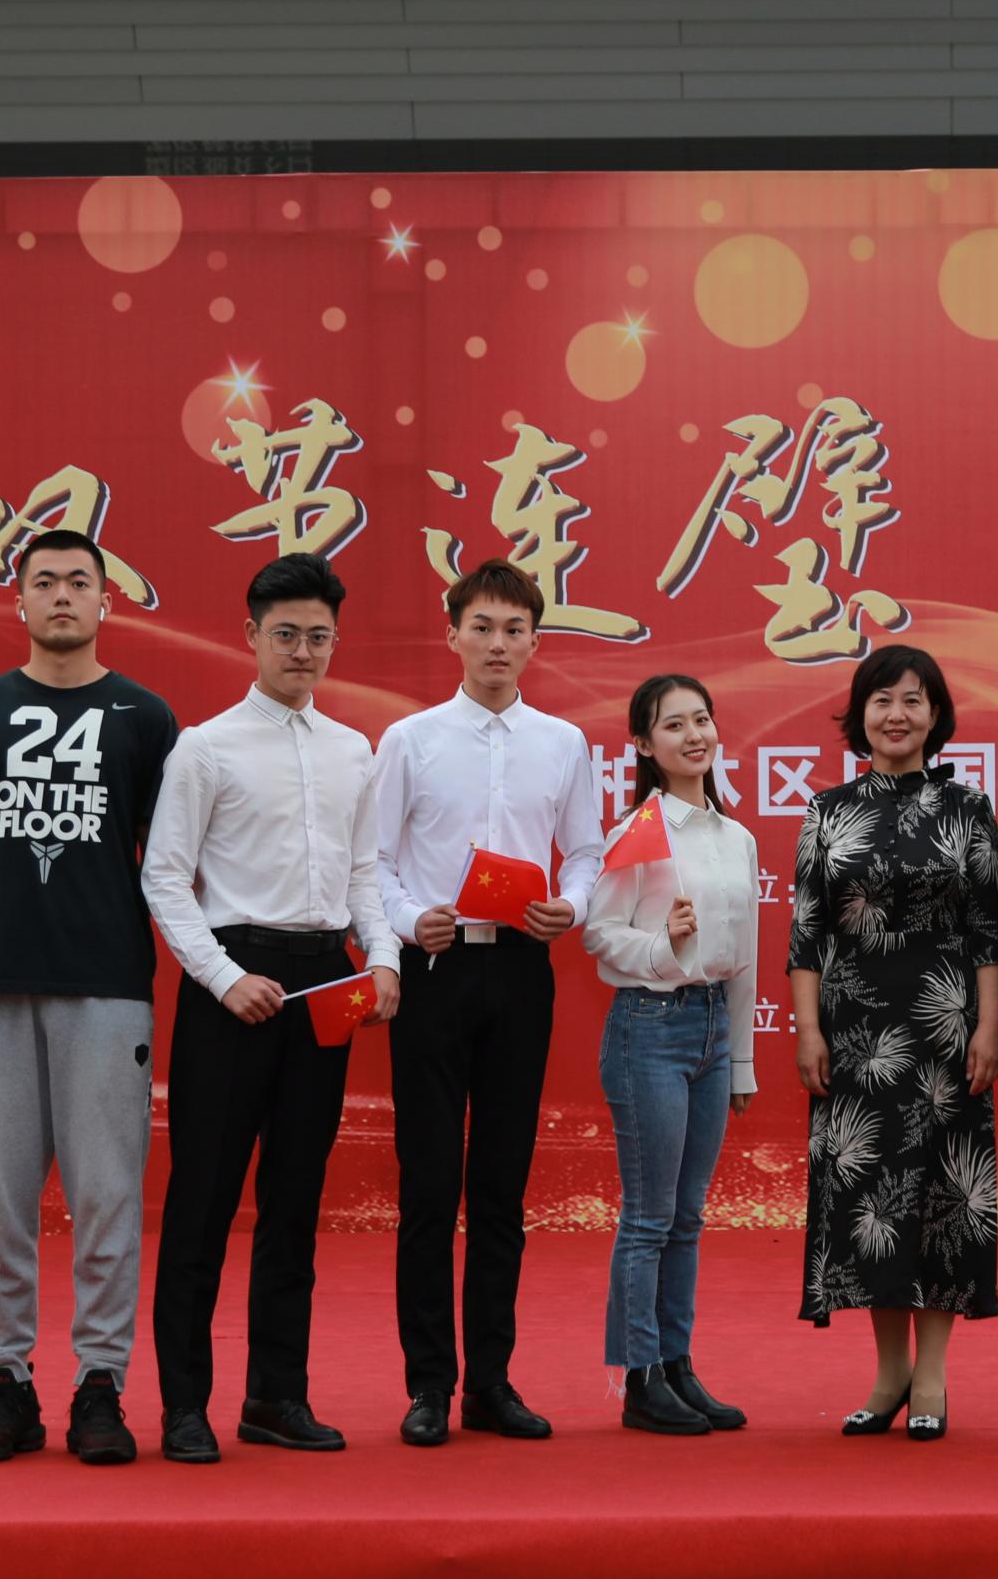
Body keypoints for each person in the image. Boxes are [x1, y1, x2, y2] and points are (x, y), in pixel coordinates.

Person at [142, 554, 402, 1464]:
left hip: (325, 981)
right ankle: (184, 1404)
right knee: (203, 1200)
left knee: (295, 1200)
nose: (302, 651)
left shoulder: (353, 750)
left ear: (336, 640)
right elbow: (165, 877)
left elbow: (364, 873)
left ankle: (276, 1395)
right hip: (232, 982)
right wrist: (223, 977)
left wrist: (381, 958)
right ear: (251, 635)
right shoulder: (205, 746)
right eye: (285, 634)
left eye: (318, 636)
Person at [0, 529, 178, 1466]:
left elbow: (165, 855)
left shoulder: (147, 717)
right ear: (19, 599)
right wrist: (22, 918)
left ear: (107, 599)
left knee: (107, 1195)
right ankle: (8, 1383)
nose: (63, 595)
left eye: (80, 581)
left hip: (109, 987)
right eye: (46, 581)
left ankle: (100, 1384)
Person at [369, 559, 602, 1447]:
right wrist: (406, 920)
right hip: (433, 969)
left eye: (514, 629)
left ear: (535, 642)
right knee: (429, 1186)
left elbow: (586, 853)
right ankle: (429, 1384)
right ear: (453, 634)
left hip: (520, 971)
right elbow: (372, 862)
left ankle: (491, 1383)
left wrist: (570, 906)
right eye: (483, 627)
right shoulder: (410, 739)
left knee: (501, 1187)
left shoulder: (563, 742)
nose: (498, 643)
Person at [789, 646, 998, 1441]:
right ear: (861, 715)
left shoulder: (968, 807)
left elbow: (988, 930)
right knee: (872, 1204)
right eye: (882, 700)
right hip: (855, 1035)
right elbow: (806, 933)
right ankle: (889, 1374)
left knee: (941, 1198)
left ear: (935, 715)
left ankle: (933, 1376)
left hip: (945, 1029)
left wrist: (989, 1025)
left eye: (913, 700)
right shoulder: (827, 811)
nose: (897, 714)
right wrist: (809, 1029)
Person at [585, 674, 759, 1435]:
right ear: (644, 744)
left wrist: (742, 1060)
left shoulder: (735, 836)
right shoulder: (640, 832)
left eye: (702, 720)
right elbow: (599, 935)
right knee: (650, 1216)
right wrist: (664, 945)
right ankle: (640, 1376)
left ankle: (678, 1363)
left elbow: (746, 958)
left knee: (687, 1216)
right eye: (674, 725)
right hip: (649, 1028)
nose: (695, 735)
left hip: (712, 1031)